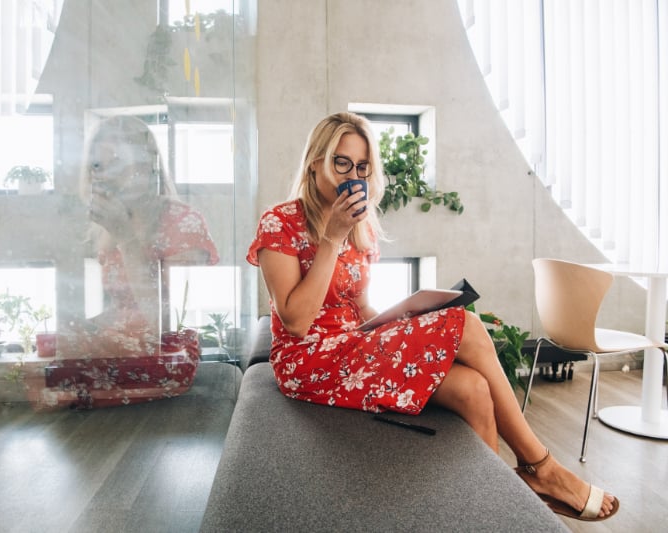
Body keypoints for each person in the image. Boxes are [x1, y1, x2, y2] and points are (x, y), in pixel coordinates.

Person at [246, 111, 618, 522]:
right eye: (342, 163)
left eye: (363, 167)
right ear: (315, 161)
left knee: (473, 389)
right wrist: (331, 237)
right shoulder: (280, 222)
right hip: (308, 361)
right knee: (468, 326)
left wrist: (406, 318)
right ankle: (541, 466)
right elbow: (295, 322)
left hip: (352, 348)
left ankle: (488, 515)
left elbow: (361, 308)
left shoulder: (360, 226)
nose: (353, 175)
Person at [33, 115, 219, 409]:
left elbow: (168, 316)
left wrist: (126, 238)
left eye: (116, 164)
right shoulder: (108, 227)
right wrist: (85, 329)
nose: (103, 176)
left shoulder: (181, 221)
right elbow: (121, 308)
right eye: (97, 166)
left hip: (161, 354)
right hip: (123, 350)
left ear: (146, 167)